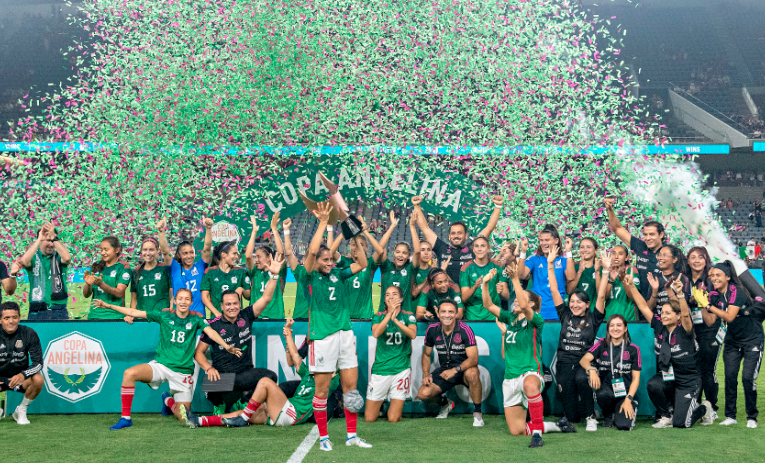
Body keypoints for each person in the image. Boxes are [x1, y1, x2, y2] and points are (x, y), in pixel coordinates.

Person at [95, 289, 241, 430]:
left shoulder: (196, 318)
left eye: (187, 299)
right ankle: (125, 418)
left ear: (191, 302)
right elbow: (134, 312)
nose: (183, 302)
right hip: (161, 366)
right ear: (174, 301)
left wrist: (226, 346)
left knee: (184, 418)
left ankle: (168, 400)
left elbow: (211, 332)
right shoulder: (164, 315)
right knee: (129, 374)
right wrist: (108, 305)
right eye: (180, 299)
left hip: (183, 373)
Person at [300, 202, 372, 451]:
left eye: (332, 259)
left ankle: (351, 436)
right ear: (316, 261)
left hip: (345, 334)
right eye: (326, 259)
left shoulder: (339, 274)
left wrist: (355, 233)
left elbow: (362, 263)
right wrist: (322, 222)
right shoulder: (307, 276)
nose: (331, 262)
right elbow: (310, 253)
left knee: (351, 389)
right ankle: (323, 438)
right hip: (322, 338)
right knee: (321, 391)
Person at [183, 318, 340, 428]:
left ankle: (243, 419)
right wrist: (288, 336)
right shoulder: (308, 374)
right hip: (285, 409)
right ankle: (200, 421)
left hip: (292, 415)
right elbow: (296, 359)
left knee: (265, 382)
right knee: (246, 412)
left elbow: (332, 370)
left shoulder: (330, 379)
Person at [479, 264, 564, 448]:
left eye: (520, 299)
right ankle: (555, 426)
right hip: (510, 377)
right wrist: (485, 284)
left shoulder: (536, 321)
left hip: (530, 372)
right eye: (515, 300)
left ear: (532, 304)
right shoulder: (509, 320)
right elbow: (487, 305)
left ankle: (537, 435)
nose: (516, 301)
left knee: (530, 384)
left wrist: (515, 278)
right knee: (516, 430)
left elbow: (524, 305)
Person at [195, 257, 284, 415]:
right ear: (221, 306)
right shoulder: (213, 325)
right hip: (222, 375)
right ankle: (223, 405)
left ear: (240, 304)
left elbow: (266, 298)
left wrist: (274, 276)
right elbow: (199, 353)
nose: (232, 307)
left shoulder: (246, 315)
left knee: (270, 376)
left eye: (235, 303)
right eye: (228, 304)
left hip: (244, 374)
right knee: (210, 388)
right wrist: (208, 368)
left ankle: (243, 402)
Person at [624, 274, 713, 428]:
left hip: (688, 381)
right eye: (662, 313)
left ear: (678, 316)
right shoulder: (660, 326)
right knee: (653, 384)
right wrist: (631, 285)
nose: (663, 316)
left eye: (667, 313)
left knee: (682, 423)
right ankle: (667, 415)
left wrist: (679, 294)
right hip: (669, 376)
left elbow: (686, 313)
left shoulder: (685, 329)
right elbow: (644, 307)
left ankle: (704, 408)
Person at [693, 261, 764, 428]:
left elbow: (729, 316)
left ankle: (751, 417)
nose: (714, 279)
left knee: (748, 378)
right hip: (732, 341)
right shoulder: (716, 294)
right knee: (730, 377)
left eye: (718, 275)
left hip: (752, 339)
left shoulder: (736, 291)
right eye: (711, 276)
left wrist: (707, 305)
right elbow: (710, 317)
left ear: (728, 276)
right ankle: (730, 415)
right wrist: (701, 301)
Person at [548, 245, 605, 430]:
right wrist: (550, 265)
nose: (574, 305)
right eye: (572, 301)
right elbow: (555, 291)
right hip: (564, 362)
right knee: (572, 418)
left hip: (584, 362)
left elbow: (602, 295)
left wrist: (606, 272)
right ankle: (578, 414)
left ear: (587, 304)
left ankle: (591, 417)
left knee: (582, 379)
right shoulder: (565, 314)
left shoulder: (594, 317)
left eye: (579, 302)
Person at [417, 300, 484, 426]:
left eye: (451, 312)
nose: (447, 315)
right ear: (438, 313)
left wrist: (455, 370)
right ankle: (445, 403)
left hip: (463, 369)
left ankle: (478, 414)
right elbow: (426, 354)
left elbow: (474, 359)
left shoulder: (465, 329)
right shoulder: (432, 330)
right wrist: (426, 374)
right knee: (423, 393)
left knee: (473, 373)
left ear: (456, 313)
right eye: (443, 311)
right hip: (445, 369)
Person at [411, 194, 504, 284]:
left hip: (468, 294)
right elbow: (425, 228)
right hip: (446, 295)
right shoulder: (441, 247)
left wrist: (498, 206)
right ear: (449, 236)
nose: (456, 236)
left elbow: (489, 228)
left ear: (466, 235)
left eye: (460, 233)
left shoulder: (473, 248)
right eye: (453, 233)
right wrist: (417, 206)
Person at [580, 314, 642, 431]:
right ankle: (608, 415)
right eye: (612, 325)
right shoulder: (601, 344)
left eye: (619, 325)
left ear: (625, 328)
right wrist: (592, 370)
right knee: (601, 393)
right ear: (608, 328)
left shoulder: (633, 349)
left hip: (626, 393)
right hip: (607, 390)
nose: (615, 328)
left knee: (623, 426)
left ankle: (630, 405)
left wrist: (628, 399)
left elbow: (636, 379)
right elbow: (584, 360)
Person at [365, 285, 417, 423]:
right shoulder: (378, 316)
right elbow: (376, 333)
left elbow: (412, 334)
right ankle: (381, 402)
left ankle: (389, 404)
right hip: (381, 369)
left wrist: (395, 320)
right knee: (370, 418)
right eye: (387, 294)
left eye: (394, 294)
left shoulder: (408, 316)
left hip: (401, 369)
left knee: (394, 419)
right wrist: (389, 315)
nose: (391, 297)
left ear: (400, 298)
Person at [605, 197, 665, 301]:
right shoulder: (641, 246)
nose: (648, 238)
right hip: (641, 305)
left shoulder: (670, 252)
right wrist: (610, 209)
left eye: (652, 234)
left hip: (662, 305)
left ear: (661, 234)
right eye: (645, 235)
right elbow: (618, 229)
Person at [685, 246, 721, 422]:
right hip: (690, 332)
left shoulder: (711, 280)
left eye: (700, 257)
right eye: (693, 257)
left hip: (710, 331)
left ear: (706, 259)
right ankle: (698, 406)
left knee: (708, 370)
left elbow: (713, 316)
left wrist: (701, 301)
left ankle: (712, 407)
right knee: (695, 370)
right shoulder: (684, 280)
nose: (696, 260)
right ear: (687, 260)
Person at [517, 225, 575, 320]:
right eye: (541, 240)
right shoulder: (534, 259)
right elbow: (521, 275)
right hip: (537, 311)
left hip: (557, 311)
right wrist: (523, 252)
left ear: (556, 241)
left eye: (547, 240)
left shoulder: (564, 260)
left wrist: (568, 252)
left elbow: (571, 277)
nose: (543, 243)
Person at [157, 217, 213, 317]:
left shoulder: (200, 266)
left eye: (191, 252)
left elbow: (207, 248)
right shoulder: (175, 268)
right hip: (179, 316)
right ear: (179, 255)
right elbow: (165, 252)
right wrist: (161, 232)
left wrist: (208, 229)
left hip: (198, 317)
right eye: (185, 253)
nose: (189, 256)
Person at [0, 302, 44, 425]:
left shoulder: (29, 333)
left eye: (14, 317)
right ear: (0, 320)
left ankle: (21, 410)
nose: (11, 321)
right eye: (6, 318)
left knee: (38, 379)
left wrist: (23, 375)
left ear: (19, 318)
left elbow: (39, 363)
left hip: (20, 381)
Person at [19, 222, 71, 319]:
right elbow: (24, 262)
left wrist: (54, 237)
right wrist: (39, 239)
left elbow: (67, 258)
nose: (51, 244)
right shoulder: (34, 258)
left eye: (53, 241)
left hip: (59, 309)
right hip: (37, 309)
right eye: (48, 240)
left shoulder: (59, 257)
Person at [336, 217, 386, 320]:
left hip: (365, 316)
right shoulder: (345, 262)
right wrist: (344, 233)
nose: (356, 247)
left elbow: (380, 251)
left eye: (361, 244)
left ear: (366, 247)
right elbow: (331, 252)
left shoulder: (370, 263)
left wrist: (365, 232)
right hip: (346, 317)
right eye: (353, 244)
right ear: (349, 246)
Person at [373, 213, 421, 315]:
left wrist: (412, 226)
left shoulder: (410, 269)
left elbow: (417, 252)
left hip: (404, 315)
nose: (400, 255)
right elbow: (380, 248)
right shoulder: (386, 267)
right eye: (398, 252)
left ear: (409, 256)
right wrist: (392, 226)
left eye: (404, 253)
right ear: (393, 253)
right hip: (384, 314)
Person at [245, 214, 287, 319]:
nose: (256, 260)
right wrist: (254, 232)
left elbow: (281, 252)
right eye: (256, 257)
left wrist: (274, 230)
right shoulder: (255, 271)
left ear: (269, 258)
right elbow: (248, 256)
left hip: (275, 317)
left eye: (259, 257)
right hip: (256, 317)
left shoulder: (279, 271)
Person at [83, 237, 131, 320]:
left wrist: (101, 284)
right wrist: (88, 284)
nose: (102, 253)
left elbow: (120, 293)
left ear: (116, 250)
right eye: (101, 249)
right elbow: (86, 295)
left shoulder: (123, 267)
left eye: (106, 250)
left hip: (114, 317)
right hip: (94, 316)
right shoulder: (96, 266)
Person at [127, 236, 172, 323]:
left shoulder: (165, 269)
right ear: (141, 251)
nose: (148, 253)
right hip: (142, 318)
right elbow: (134, 300)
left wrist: (170, 312)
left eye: (151, 250)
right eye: (145, 250)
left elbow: (173, 296)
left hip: (162, 317)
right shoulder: (135, 272)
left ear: (158, 251)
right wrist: (131, 314)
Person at [200, 240, 250, 318]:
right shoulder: (210, 272)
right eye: (234, 253)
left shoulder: (240, 271)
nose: (236, 257)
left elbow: (248, 296)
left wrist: (242, 289)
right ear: (223, 255)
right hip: (217, 318)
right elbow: (204, 297)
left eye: (237, 254)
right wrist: (216, 313)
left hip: (236, 319)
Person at [460, 236, 503, 320]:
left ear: (488, 248)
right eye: (476, 246)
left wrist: (501, 290)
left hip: (493, 316)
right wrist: (475, 286)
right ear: (473, 249)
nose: (479, 249)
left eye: (483, 246)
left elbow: (506, 296)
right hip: (472, 316)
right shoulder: (466, 268)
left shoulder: (498, 267)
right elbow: (464, 298)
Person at [647, 244, 690, 315]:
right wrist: (654, 291)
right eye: (659, 255)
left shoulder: (681, 278)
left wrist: (669, 289)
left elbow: (682, 309)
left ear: (674, 259)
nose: (660, 258)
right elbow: (649, 308)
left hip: (677, 323)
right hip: (660, 322)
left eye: (664, 255)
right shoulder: (655, 279)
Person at [600, 246, 639, 321]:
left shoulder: (631, 270)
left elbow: (633, 297)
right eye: (613, 254)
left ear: (626, 258)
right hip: (609, 317)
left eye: (620, 254)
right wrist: (611, 280)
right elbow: (603, 296)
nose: (616, 257)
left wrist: (623, 280)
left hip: (628, 318)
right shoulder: (605, 271)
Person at [282, 218, 309, 318]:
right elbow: (289, 253)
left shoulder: (323, 274)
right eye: (308, 257)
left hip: (317, 320)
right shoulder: (300, 272)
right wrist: (286, 230)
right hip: (299, 318)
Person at [566, 237, 601, 309]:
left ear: (595, 250)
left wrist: (597, 271)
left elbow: (601, 293)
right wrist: (579, 272)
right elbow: (569, 291)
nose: (585, 250)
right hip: (575, 312)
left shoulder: (600, 269)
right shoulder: (573, 267)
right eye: (582, 247)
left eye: (588, 247)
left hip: (592, 312)